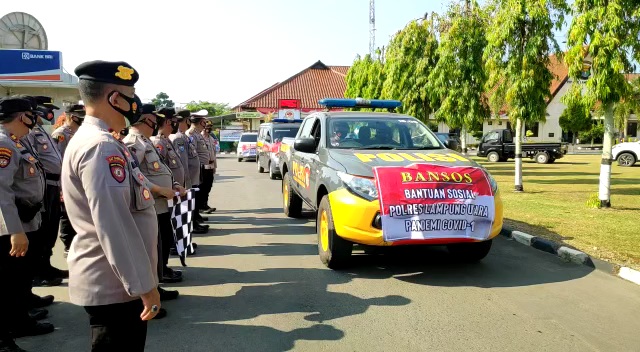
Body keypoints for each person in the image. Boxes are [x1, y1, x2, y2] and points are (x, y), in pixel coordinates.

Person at [62, 60, 162, 351]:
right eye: (130, 98)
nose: (135, 106)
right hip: (115, 285)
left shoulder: (99, 141)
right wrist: (144, 285)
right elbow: (114, 225)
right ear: (115, 99)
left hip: (116, 280)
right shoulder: (101, 146)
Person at [0, 97, 52, 352]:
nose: (36, 120)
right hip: (13, 227)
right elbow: (1, 191)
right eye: (32, 115)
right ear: (23, 117)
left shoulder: (15, 141)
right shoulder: (3, 143)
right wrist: (15, 231)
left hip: (26, 220)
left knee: (19, 281)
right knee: (7, 285)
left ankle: (20, 322)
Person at [122, 104, 185, 290]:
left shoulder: (146, 141)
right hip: (151, 203)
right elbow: (134, 176)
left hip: (161, 203)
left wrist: (173, 184)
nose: (156, 123)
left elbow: (161, 169)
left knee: (163, 242)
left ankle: (160, 275)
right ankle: (154, 285)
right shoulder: (134, 142)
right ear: (145, 119)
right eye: (154, 119)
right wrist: (158, 189)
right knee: (153, 247)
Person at [18, 96, 67, 288]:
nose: (49, 113)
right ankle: (39, 272)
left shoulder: (40, 130)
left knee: (50, 228)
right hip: (43, 185)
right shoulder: (28, 133)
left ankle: (46, 266)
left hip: (53, 185)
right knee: (42, 230)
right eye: (46, 109)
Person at [52, 104, 85, 257]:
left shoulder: (79, 133)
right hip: (64, 179)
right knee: (66, 213)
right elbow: (58, 160)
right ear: (71, 116)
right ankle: (67, 244)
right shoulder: (61, 134)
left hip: (77, 178)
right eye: (79, 116)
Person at [170, 110, 208, 234]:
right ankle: (189, 230)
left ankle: (192, 225)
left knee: (190, 207)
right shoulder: (179, 138)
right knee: (185, 209)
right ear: (186, 120)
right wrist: (186, 183)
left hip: (191, 178)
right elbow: (183, 163)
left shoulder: (183, 136)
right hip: (187, 180)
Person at [186, 111, 212, 223]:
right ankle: (194, 218)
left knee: (199, 193)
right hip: (196, 169)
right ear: (201, 122)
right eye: (204, 122)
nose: (205, 124)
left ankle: (196, 215)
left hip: (200, 168)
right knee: (195, 194)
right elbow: (192, 153)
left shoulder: (197, 133)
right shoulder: (191, 134)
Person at [200, 121, 217, 214]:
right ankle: (201, 206)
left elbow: (213, 154)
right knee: (203, 187)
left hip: (210, 166)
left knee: (208, 187)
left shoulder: (210, 138)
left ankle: (205, 204)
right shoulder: (200, 138)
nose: (209, 128)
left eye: (210, 126)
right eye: (207, 126)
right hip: (203, 167)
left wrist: (214, 167)